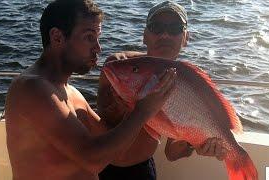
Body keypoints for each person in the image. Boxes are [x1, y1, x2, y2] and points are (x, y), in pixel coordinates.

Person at [4, 0, 177, 179]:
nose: (98, 48)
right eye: (89, 37)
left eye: (98, 38)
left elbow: (119, 156)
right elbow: (93, 159)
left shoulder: (71, 93)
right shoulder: (32, 88)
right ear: (57, 37)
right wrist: (142, 111)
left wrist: (128, 112)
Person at [97, 1, 228, 180]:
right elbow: (106, 119)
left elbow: (172, 153)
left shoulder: (188, 82)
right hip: (102, 168)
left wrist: (195, 144)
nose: (165, 35)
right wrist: (131, 108)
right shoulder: (120, 66)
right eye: (156, 27)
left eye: (175, 28)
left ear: (186, 38)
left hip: (143, 170)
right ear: (144, 36)